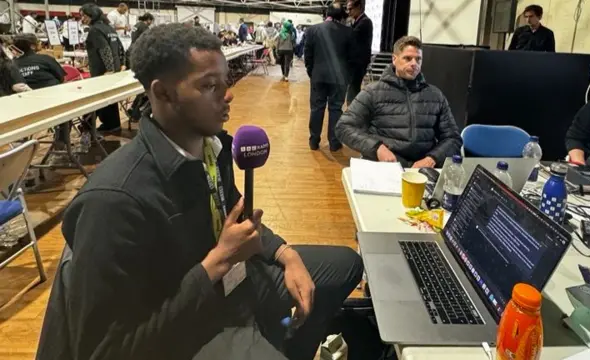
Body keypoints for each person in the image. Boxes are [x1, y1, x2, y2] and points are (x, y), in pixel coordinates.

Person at [36, 23, 363, 360]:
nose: (228, 94)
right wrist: (217, 263)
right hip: (187, 326)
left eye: (225, 82)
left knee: (346, 265)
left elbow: (234, 210)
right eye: (209, 85)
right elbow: (106, 351)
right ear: (162, 93)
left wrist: (284, 254)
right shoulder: (114, 201)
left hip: (235, 286)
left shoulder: (213, 146)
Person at [336, 36, 462, 168]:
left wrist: (432, 158)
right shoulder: (373, 92)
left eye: (418, 59)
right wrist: (377, 148)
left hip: (422, 170)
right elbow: (343, 127)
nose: (414, 63)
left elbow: (453, 138)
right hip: (384, 167)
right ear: (394, 59)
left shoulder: (436, 96)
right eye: (407, 58)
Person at [304, 5, 355, 151]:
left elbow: (308, 55)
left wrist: (312, 73)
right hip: (339, 79)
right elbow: (352, 58)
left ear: (327, 13)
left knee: (316, 108)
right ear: (342, 16)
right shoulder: (349, 32)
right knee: (336, 109)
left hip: (318, 76)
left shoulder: (312, 30)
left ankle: (314, 141)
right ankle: (334, 143)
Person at [80, 3, 125, 132]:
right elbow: (120, 47)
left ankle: (89, 126)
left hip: (103, 72)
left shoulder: (95, 30)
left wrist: (109, 70)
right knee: (110, 99)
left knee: (100, 99)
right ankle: (113, 124)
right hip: (114, 70)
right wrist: (122, 64)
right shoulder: (109, 28)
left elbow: (104, 50)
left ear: (91, 15)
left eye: (84, 16)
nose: (82, 19)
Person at [346, 0, 373, 105]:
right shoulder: (357, 21)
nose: (348, 12)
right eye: (347, 9)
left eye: (350, 8)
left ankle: (352, 111)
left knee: (354, 87)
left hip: (359, 62)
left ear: (359, 7)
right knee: (353, 87)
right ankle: (353, 110)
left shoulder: (365, 21)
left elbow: (351, 36)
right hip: (355, 61)